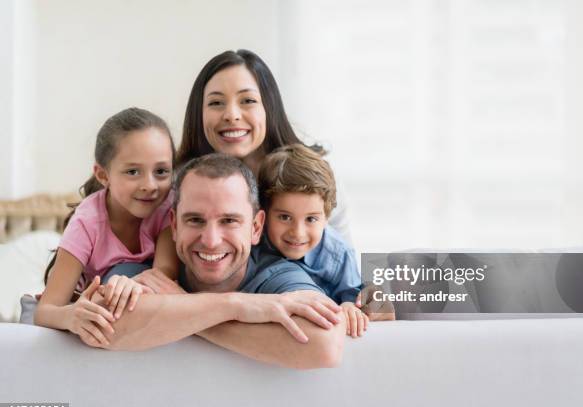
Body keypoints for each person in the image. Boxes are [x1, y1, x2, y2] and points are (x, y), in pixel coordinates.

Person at [86, 154, 345, 369]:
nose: (210, 241)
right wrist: (237, 306)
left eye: (229, 221)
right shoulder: (143, 273)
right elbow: (103, 326)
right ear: (174, 225)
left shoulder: (282, 274)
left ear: (256, 228)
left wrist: (184, 310)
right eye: (195, 220)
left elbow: (325, 346)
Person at [34, 107, 179, 345]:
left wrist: (129, 283)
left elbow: (163, 274)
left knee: (128, 274)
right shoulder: (87, 222)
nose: (150, 185)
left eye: (161, 171)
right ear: (103, 175)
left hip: (145, 305)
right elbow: (45, 310)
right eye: (133, 171)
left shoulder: (168, 206)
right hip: (100, 303)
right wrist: (71, 316)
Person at [176, 49, 352, 243]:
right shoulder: (178, 182)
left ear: (269, 107)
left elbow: (348, 260)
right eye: (216, 102)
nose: (232, 115)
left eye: (248, 101)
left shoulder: (316, 176)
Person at [258, 144, 368, 338]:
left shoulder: (338, 253)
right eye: (284, 217)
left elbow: (352, 293)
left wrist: (350, 306)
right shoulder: (252, 246)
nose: (298, 233)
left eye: (311, 219)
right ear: (264, 214)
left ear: (326, 218)